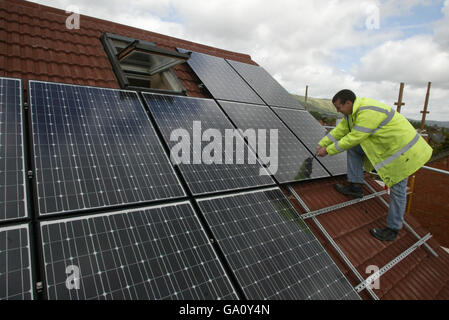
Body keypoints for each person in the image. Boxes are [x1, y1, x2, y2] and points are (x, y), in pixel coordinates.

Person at [316, 89, 432, 241]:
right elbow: (340, 131)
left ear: (348, 103)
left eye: (339, 107)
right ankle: (356, 186)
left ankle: (393, 229)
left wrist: (328, 150)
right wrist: (321, 144)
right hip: (391, 148)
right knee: (353, 150)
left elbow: (354, 137)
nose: (338, 111)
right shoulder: (352, 113)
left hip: (405, 153)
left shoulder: (367, 112)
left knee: (398, 191)